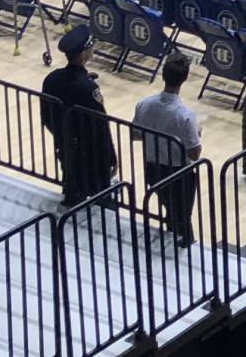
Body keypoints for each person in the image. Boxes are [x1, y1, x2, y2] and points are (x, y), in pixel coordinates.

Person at [131, 53, 204, 247]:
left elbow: (135, 134)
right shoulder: (185, 116)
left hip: (152, 169)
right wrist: (197, 134)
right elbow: (194, 154)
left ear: (162, 75)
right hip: (178, 173)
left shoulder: (144, 104)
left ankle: (175, 239)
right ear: (185, 79)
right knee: (182, 216)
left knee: (171, 210)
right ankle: (184, 245)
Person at [41, 25, 118, 208]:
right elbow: (101, 126)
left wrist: (63, 135)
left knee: (72, 185)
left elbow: (46, 116)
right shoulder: (88, 88)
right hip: (91, 151)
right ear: (84, 54)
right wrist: (112, 157)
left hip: (65, 144)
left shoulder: (51, 79)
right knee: (101, 196)